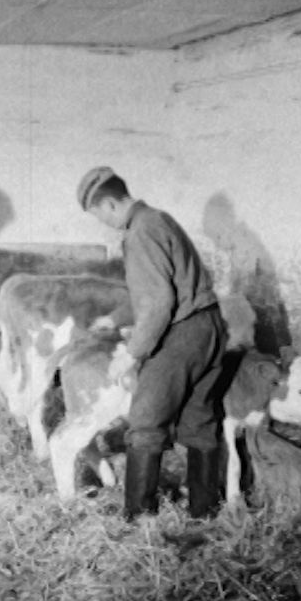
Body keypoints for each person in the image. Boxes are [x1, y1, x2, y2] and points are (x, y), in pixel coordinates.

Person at [77, 166, 227, 520]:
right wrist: (113, 318)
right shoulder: (159, 219)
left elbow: (159, 304)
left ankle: (139, 522)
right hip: (210, 327)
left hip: (182, 335)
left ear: (111, 204)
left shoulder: (140, 232)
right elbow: (157, 290)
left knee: (145, 423)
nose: (103, 222)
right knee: (199, 421)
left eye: (98, 214)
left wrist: (131, 354)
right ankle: (203, 513)